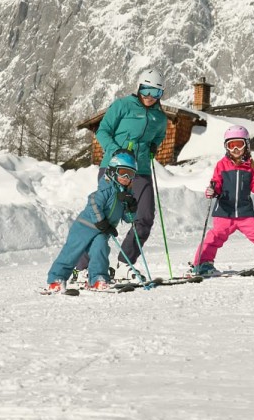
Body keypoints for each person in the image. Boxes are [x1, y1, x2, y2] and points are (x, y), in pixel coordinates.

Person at [93, 68, 168, 280]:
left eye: (155, 93)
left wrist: (153, 147)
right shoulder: (122, 106)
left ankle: (125, 264)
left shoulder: (160, 117)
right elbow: (102, 131)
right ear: (138, 88)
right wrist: (115, 150)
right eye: (145, 90)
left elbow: (159, 136)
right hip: (114, 168)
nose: (149, 97)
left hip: (141, 170)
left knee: (144, 217)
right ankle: (83, 267)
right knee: (106, 219)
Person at [190, 125, 254, 276]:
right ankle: (202, 263)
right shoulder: (221, 165)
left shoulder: (252, 167)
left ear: (246, 145)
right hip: (224, 211)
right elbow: (217, 184)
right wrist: (212, 190)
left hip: (244, 211)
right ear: (226, 147)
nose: (235, 149)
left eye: (239, 144)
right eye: (231, 145)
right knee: (214, 237)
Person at [45, 152, 139, 292]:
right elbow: (93, 203)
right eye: (123, 173)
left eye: (130, 174)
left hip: (102, 231)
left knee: (100, 250)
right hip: (85, 226)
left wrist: (131, 207)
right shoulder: (106, 188)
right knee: (72, 252)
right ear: (113, 171)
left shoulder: (124, 194)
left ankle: (98, 279)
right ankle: (56, 279)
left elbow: (128, 219)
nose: (126, 178)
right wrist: (102, 222)